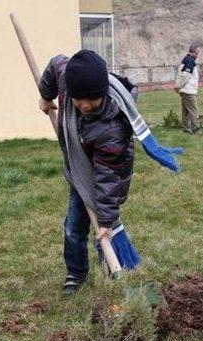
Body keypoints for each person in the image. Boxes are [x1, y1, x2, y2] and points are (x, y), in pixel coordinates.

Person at [37, 50, 137, 296]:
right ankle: (76, 273)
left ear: (102, 92)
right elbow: (55, 65)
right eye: (78, 99)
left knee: (104, 229)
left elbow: (108, 177)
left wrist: (105, 220)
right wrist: (46, 96)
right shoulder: (66, 78)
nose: (83, 105)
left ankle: (114, 270)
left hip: (107, 174)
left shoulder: (111, 127)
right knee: (73, 226)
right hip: (78, 168)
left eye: (91, 100)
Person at [175, 45, 202, 135]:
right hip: (189, 90)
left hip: (185, 90)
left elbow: (180, 74)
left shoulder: (186, 59)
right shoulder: (190, 61)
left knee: (186, 111)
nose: (198, 55)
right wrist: (178, 86)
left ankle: (186, 129)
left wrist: (178, 86)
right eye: (197, 53)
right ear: (193, 52)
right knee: (194, 111)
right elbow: (185, 76)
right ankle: (196, 129)